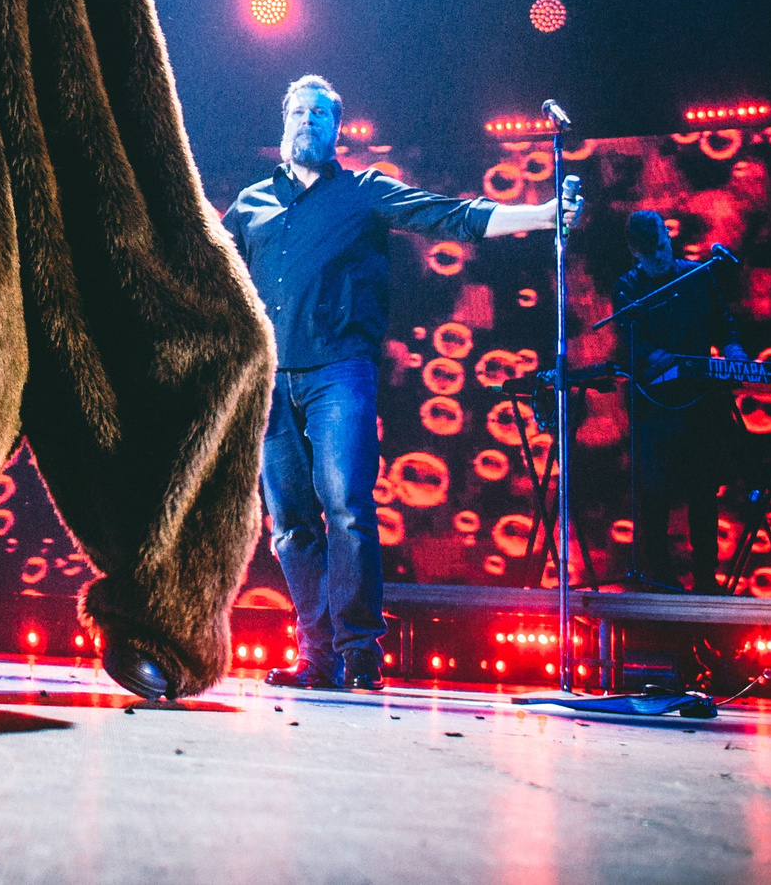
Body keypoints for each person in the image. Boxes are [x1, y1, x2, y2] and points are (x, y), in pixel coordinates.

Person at [225, 76, 563, 691]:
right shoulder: (251, 204)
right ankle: (317, 657)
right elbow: (209, 270)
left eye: (319, 114)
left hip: (338, 372)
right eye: (298, 112)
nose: (307, 121)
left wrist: (542, 215)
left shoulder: (363, 192)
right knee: (290, 525)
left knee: (347, 508)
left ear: (337, 128)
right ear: (284, 121)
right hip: (269, 380)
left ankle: (359, 652)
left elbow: (448, 216)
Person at [614, 210, 746, 594]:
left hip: (699, 401)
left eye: (662, 245)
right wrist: (651, 355)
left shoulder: (697, 275)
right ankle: (661, 580)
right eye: (649, 251)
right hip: (654, 407)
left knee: (703, 490)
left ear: (667, 238)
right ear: (634, 252)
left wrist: (734, 351)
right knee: (656, 494)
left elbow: (724, 325)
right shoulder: (628, 288)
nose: (659, 255)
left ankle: (706, 578)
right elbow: (630, 340)